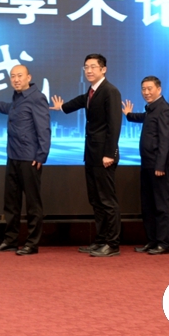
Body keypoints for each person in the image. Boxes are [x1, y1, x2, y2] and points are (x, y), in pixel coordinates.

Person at [50, 54, 122, 258]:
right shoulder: (91, 92)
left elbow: (115, 124)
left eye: (93, 67)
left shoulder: (110, 91)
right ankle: (100, 240)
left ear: (103, 69)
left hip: (104, 156)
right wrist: (62, 107)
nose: (89, 70)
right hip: (91, 154)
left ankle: (112, 244)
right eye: (86, 67)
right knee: (96, 200)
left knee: (107, 200)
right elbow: (80, 102)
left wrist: (109, 153)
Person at [0, 64, 50, 256]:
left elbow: (44, 128)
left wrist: (41, 155)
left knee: (33, 204)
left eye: (19, 76)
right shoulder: (18, 98)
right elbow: (11, 110)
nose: (16, 79)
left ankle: (32, 244)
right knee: (11, 202)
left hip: (30, 158)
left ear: (29, 77)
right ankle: (10, 241)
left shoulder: (37, 97)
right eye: (13, 76)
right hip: (13, 155)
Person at [122, 76, 169, 256]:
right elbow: (144, 118)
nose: (146, 92)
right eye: (143, 89)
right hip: (147, 164)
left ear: (159, 89)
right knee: (148, 206)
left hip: (159, 166)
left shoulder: (164, 110)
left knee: (161, 206)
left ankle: (164, 244)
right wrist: (129, 115)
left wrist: (160, 165)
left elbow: (165, 140)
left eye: (149, 88)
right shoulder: (152, 109)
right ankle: (152, 241)